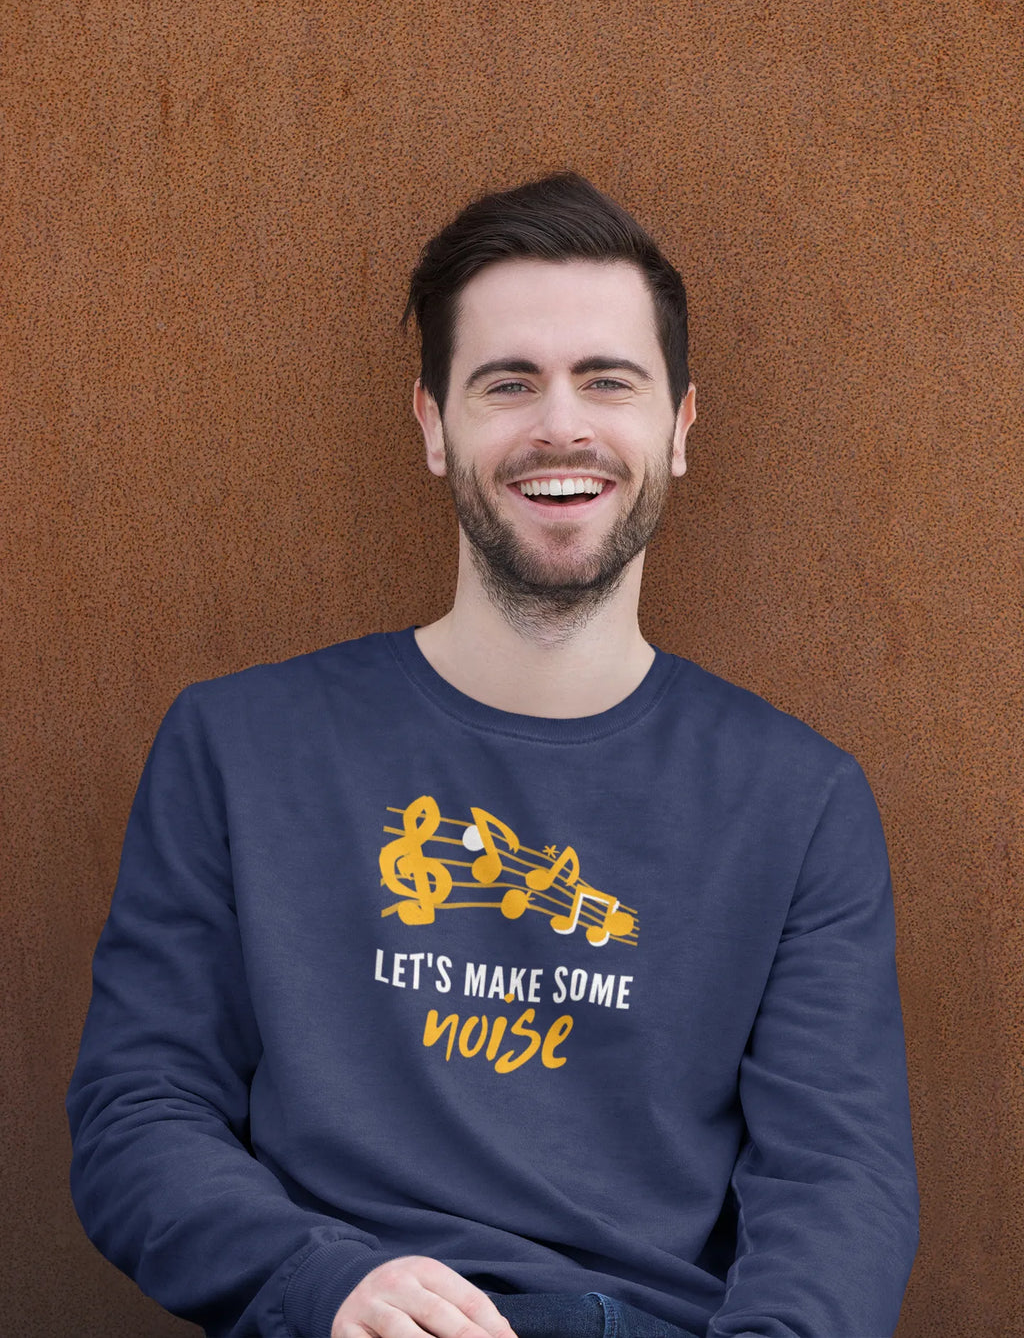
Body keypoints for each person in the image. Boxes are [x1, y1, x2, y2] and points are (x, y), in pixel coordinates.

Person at [67, 173, 919, 1338]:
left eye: (607, 381)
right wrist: (318, 1280)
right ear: (434, 425)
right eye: (508, 382)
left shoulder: (798, 800)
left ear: (678, 428)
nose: (561, 426)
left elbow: (837, 1181)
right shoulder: (239, 746)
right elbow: (139, 1107)